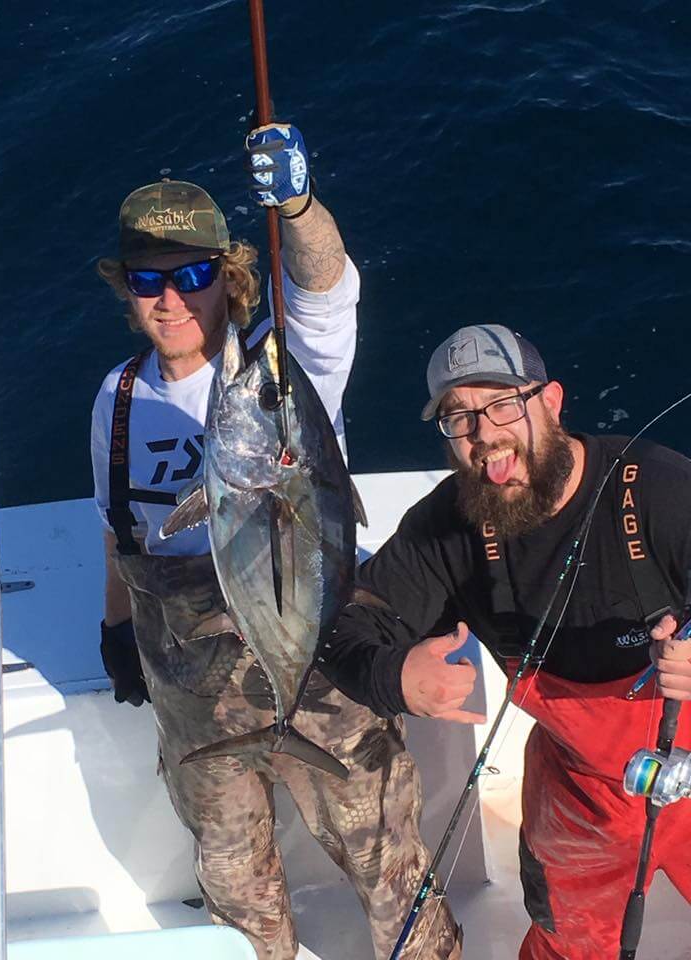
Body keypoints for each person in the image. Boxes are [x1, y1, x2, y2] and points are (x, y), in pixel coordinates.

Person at [90, 123, 461, 960]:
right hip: (194, 690)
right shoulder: (115, 399)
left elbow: (326, 284)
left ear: (226, 277)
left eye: (190, 275)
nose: (170, 299)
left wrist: (294, 203)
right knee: (234, 884)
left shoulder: (285, 369)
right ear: (128, 290)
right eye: (148, 280)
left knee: (388, 867)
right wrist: (117, 634)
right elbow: (121, 531)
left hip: (320, 662)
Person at [323, 323, 691, 959]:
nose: (482, 434)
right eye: (457, 416)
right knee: (566, 942)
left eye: (500, 404)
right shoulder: (448, 525)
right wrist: (395, 675)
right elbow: (345, 625)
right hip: (582, 795)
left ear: (549, 402)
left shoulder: (655, 488)